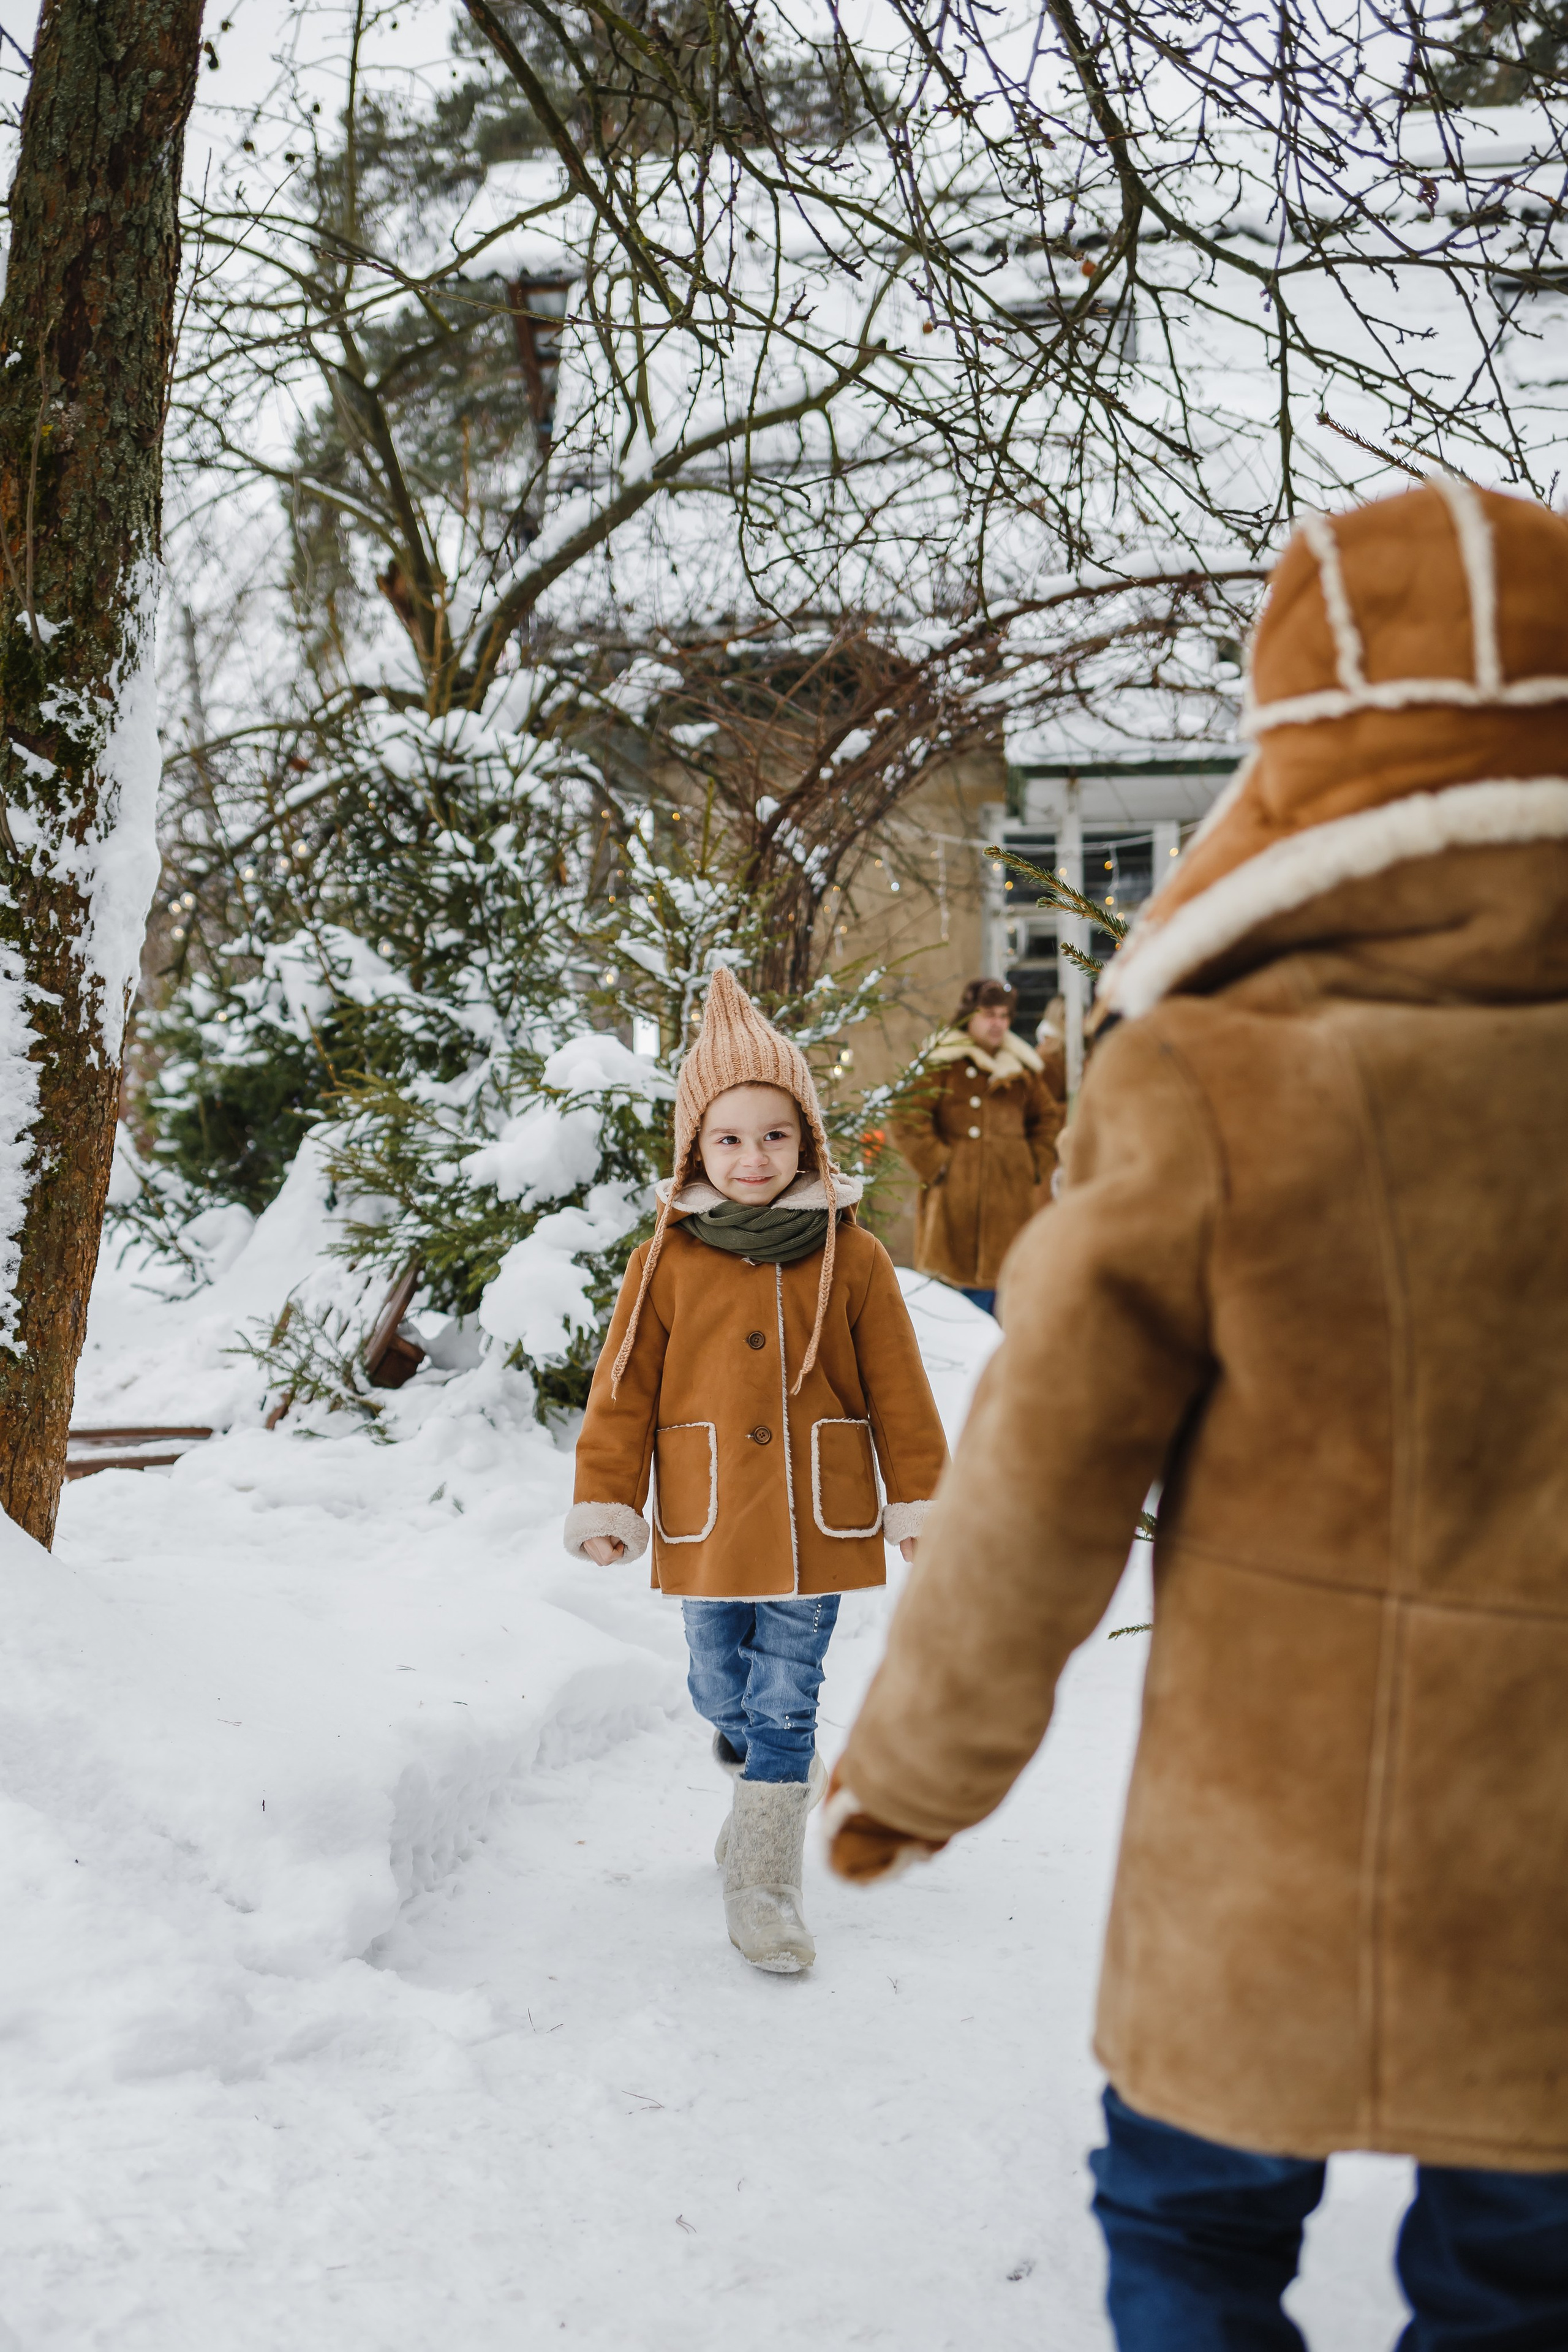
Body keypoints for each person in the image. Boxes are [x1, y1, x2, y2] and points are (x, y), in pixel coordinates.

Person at [826, 478, 1568, 2344]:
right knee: (1519, 2277)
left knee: (1188, 2219)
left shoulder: (1215, 1078)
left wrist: (924, 1760)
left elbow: (1044, 1472)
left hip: (1270, 1837)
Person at [566, 966, 948, 1975]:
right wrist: (607, 1496)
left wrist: (921, 1501)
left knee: (788, 1699)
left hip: (817, 1520)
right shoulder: (664, 1260)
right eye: (729, 1138)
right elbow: (622, 1393)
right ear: (697, 1146)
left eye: (774, 1135)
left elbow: (902, 1389)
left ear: (808, 1140)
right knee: (714, 1685)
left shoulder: (850, 1255)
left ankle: (764, 1881)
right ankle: (762, 1779)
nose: (752, 1157)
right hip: (706, 1511)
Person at [890, 976, 1061, 1316]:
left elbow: (1047, 1120)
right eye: (989, 1015)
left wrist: (1033, 1163)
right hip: (956, 1203)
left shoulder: (1023, 1070)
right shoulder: (943, 1062)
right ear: (970, 1016)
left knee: (1010, 1300)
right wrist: (941, 1164)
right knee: (955, 1309)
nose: (998, 1023)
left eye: (1004, 1016)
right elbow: (906, 1116)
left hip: (1011, 1203)